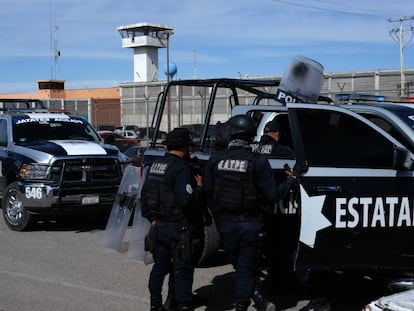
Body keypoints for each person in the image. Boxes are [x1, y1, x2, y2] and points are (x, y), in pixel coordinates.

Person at [203, 115, 298, 311]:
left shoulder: (216, 159)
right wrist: (291, 181)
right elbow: (273, 195)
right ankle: (242, 306)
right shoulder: (258, 162)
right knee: (246, 270)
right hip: (250, 225)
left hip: (226, 225)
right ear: (250, 135)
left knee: (240, 268)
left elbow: (207, 192)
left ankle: (256, 298)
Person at [141, 127, 204, 311]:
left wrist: (153, 219)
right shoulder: (181, 168)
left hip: (159, 227)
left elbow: (144, 196)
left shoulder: (156, 165)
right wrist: (199, 188)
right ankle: (183, 306)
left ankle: (156, 304)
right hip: (179, 228)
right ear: (184, 147)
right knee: (181, 271)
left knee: (159, 268)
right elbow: (187, 201)